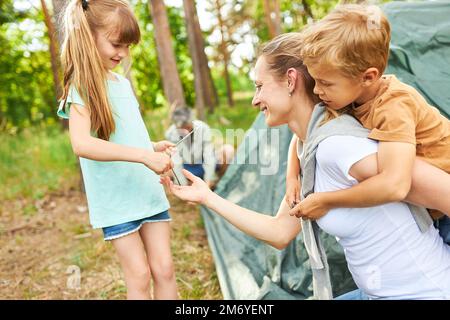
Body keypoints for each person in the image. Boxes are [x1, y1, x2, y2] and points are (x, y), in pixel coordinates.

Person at [161, 33, 450, 299]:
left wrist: (327, 199)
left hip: (423, 291)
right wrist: (208, 198)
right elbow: (279, 233)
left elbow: (436, 191)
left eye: (259, 86)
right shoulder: (309, 147)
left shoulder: (343, 145)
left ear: (290, 80)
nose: (254, 99)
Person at [286, 5, 450, 242]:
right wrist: (292, 177)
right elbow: (308, 130)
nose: (316, 90)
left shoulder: (393, 105)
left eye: (325, 83)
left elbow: (395, 185)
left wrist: (325, 200)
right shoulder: (348, 95)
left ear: (368, 77)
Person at [57, 0, 177, 300]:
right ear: (89, 35)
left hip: (147, 192)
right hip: (117, 200)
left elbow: (123, 137)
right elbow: (82, 144)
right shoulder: (81, 87)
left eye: (128, 46)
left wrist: (151, 146)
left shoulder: (122, 84)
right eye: (116, 44)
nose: (123, 53)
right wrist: (143, 155)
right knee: (139, 274)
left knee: (164, 269)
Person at [165, 107, 234, 188]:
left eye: (187, 127)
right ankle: (189, 182)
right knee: (166, 165)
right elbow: (176, 161)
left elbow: (209, 155)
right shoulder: (170, 134)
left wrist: (208, 181)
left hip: (203, 165)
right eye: (182, 128)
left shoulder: (203, 128)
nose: (186, 131)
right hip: (187, 168)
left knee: (228, 150)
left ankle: (216, 180)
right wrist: (183, 186)